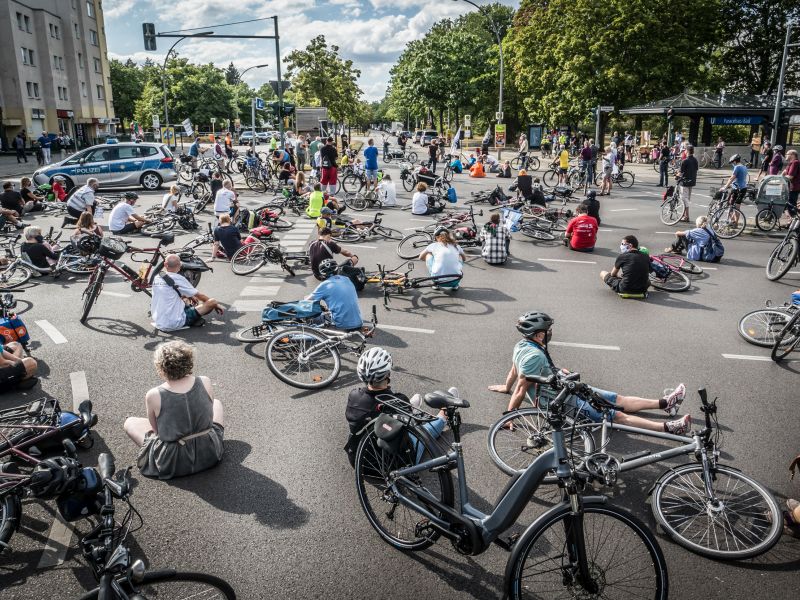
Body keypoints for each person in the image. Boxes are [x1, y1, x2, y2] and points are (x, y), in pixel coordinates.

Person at [487, 312, 690, 434]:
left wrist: (506, 387)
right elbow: (522, 387)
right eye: (547, 330)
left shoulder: (521, 345)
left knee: (616, 398)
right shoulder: (535, 357)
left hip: (564, 386)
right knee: (617, 415)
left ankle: (666, 404)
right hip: (561, 401)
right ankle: (668, 428)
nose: (550, 333)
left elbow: (514, 369)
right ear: (539, 334)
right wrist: (509, 417)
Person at [124, 341, 224, 480]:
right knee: (217, 403)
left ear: (161, 367)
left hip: (174, 460)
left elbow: (157, 431)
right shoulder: (204, 381)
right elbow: (210, 410)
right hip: (209, 451)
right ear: (189, 361)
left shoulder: (154, 394)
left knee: (130, 422)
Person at [344, 347, 447, 464]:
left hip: (359, 460)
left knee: (397, 412)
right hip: (394, 465)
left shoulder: (353, 396)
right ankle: (444, 415)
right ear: (387, 373)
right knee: (424, 430)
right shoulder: (398, 399)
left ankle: (409, 409)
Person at [151, 254, 222, 330]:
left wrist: (190, 296)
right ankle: (192, 318)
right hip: (174, 323)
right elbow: (200, 296)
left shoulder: (157, 277)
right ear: (180, 265)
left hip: (158, 320)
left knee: (185, 299)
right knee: (212, 302)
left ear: (165, 264)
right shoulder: (179, 279)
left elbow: (173, 291)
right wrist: (215, 305)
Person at [305, 258, 363, 330]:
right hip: (359, 322)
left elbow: (307, 301)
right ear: (337, 270)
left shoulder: (324, 285)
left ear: (322, 274)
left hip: (341, 325)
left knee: (311, 317)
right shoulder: (347, 279)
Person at [721, 154, 748, 227]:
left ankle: (732, 221)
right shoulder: (744, 167)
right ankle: (735, 223)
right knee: (737, 206)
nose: (732, 164)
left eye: (732, 162)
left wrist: (725, 187)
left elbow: (732, 178)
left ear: (735, 161)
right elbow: (740, 178)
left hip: (737, 189)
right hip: (743, 188)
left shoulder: (737, 167)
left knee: (730, 204)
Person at [678, 145, 698, 221]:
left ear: (687, 151)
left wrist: (676, 175)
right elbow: (696, 170)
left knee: (684, 199)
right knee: (687, 199)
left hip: (685, 182)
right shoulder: (695, 160)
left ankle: (686, 216)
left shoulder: (685, 160)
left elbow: (680, 172)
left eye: (685, 150)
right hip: (692, 181)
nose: (684, 152)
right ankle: (684, 215)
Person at [783, 149, 800, 217]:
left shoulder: (795, 162)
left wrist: (782, 179)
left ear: (792, 155)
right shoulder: (791, 163)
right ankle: (791, 221)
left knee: (791, 205)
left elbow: (790, 176)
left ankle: (794, 220)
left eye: (787, 154)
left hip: (794, 187)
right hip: (791, 187)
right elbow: (784, 172)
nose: (785, 156)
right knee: (788, 204)